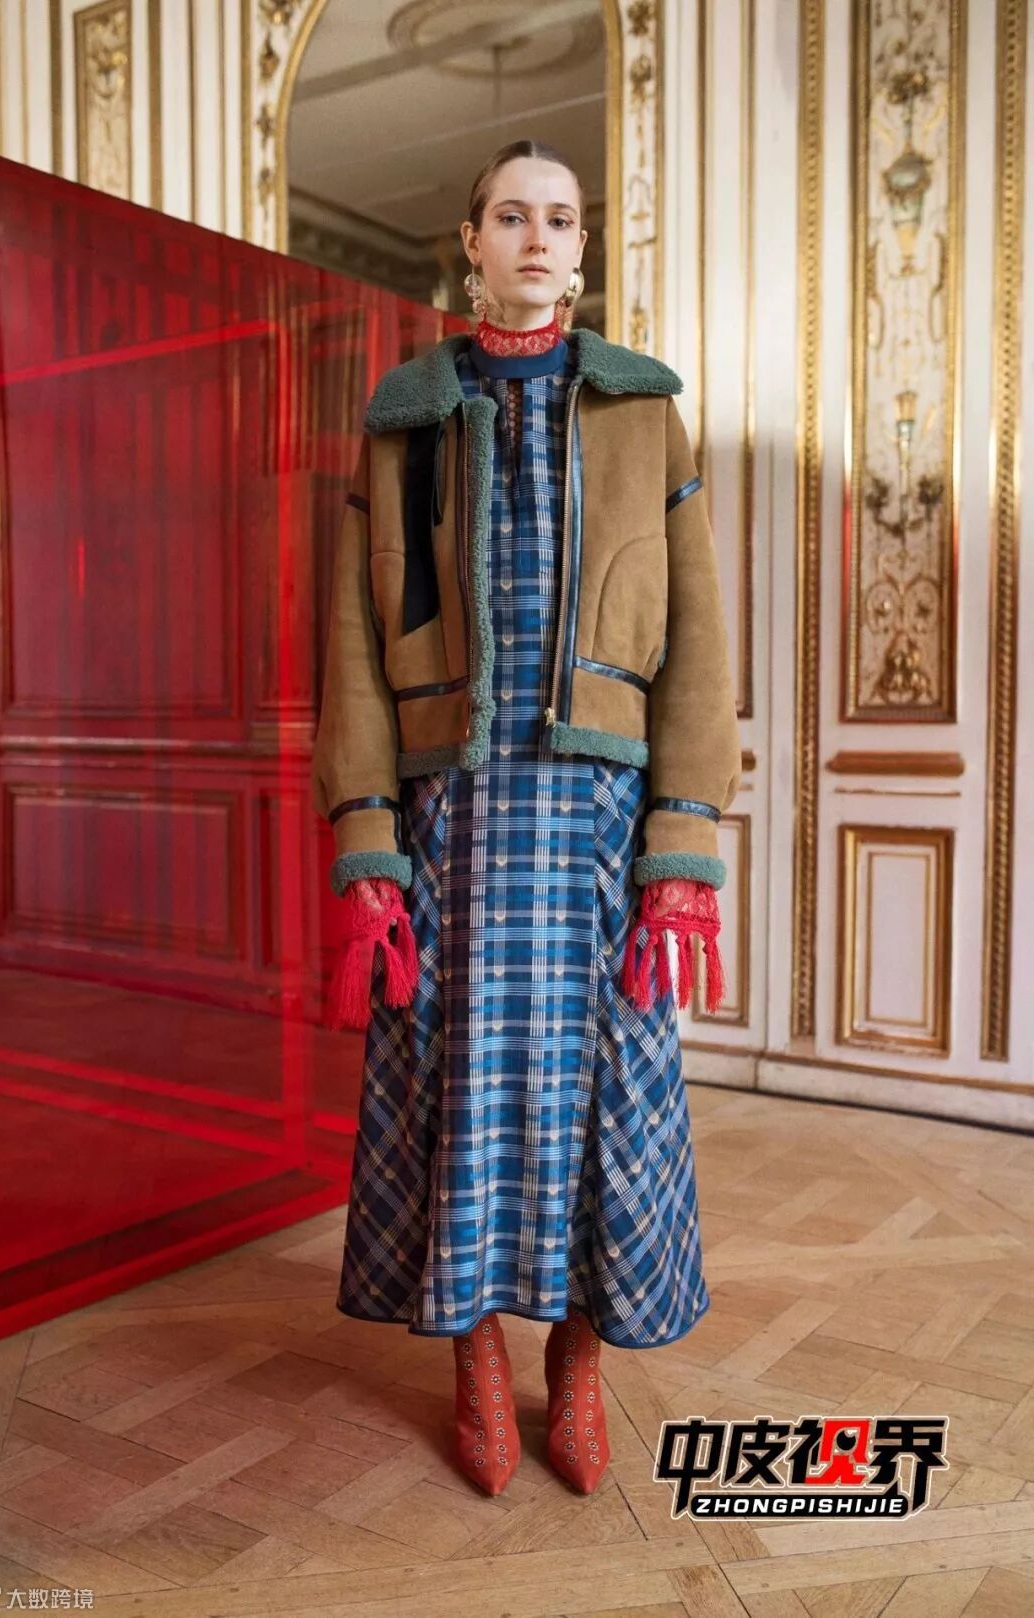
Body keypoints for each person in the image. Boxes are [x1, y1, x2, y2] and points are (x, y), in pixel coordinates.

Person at [313, 138, 741, 1498]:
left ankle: (581, 1354)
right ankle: (477, 1361)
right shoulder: (403, 420)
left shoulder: (645, 413)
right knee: (456, 1091)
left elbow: (698, 646)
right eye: (513, 215)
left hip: (600, 822)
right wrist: (368, 835)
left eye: (561, 218)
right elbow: (354, 652)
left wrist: (680, 840)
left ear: (581, 249)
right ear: (472, 243)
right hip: (453, 818)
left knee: (608, 1094)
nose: (538, 237)